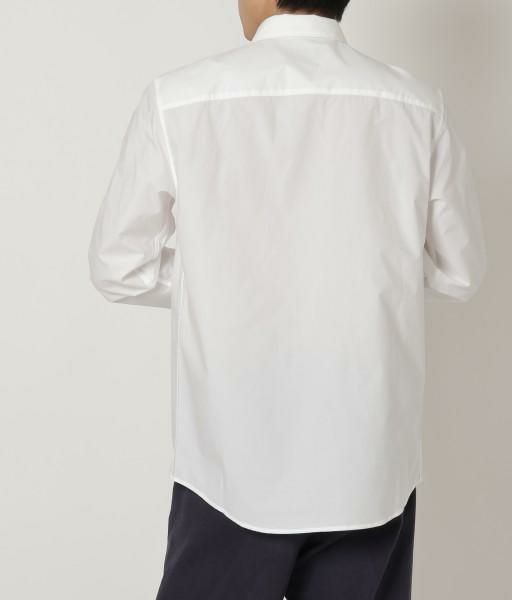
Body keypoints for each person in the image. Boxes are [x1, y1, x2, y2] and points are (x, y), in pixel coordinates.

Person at [87, 0, 487, 598]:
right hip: (367, 462)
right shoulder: (415, 106)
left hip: (228, 461)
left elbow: (118, 265)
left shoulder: (179, 99)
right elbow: (460, 272)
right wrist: (361, 274)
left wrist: (224, 281)